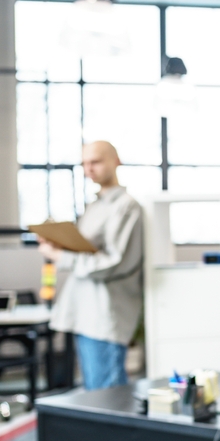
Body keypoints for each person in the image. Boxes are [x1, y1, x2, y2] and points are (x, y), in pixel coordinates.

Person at [39, 141, 143, 390]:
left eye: (95, 161)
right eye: (85, 163)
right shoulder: (95, 206)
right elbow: (86, 251)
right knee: (95, 395)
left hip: (104, 317)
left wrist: (61, 257)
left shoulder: (127, 207)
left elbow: (113, 262)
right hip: (85, 314)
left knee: (106, 397)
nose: (89, 169)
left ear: (116, 161)